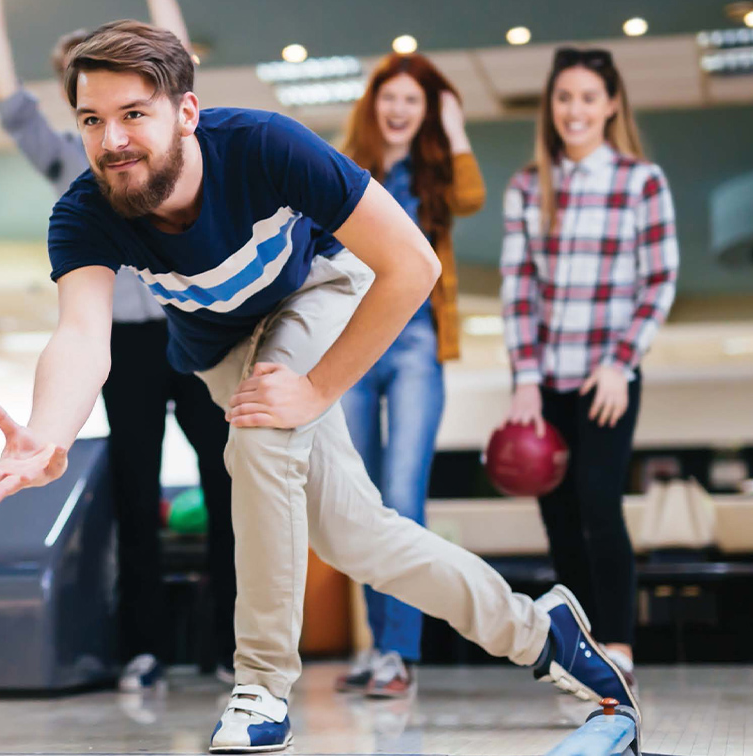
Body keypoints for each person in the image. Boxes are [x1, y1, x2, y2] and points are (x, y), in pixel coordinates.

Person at [0, 21, 638, 753]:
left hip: (313, 291)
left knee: (260, 435)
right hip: (218, 347)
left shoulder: (265, 146)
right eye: (92, 121)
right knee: (359, 537)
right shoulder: (86, 210)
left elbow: (413, 263)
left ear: (185, 114)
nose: (113, 140)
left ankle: (260, 687)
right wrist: (51, 431)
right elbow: (83, 338)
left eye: (134, 115)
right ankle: (542, 632)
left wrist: (317, 388)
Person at [0, 0, 235, 689]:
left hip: (193, 329)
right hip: (123, 348)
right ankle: (146, 648)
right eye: (85, 93)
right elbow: (8, 101)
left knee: (227, 479)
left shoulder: (160, 144)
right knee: (132, 488)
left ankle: (234, 644)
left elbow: (171, 64)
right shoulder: (71, 164)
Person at [501, 46, 679, 691]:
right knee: (557, 514)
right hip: (544, 379)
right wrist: (524, 375)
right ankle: (579, 647)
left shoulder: (641, 181)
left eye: (587, 98)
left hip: (608, 378)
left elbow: (659, 280)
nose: (574, 110)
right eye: (564, 97)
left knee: (600, 505)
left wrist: (621, 363)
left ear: (610, 106)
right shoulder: (528, 185)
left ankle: (620, 644)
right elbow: (518, 288)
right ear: (551, 107)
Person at [333, 52, 485, 699]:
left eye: (413, 102)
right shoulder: (347, 168)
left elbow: (473, 197)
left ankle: (399, 651)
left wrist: (454, 126)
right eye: (390, 98)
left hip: (417, 341)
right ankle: (377, 650)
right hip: (356, 343)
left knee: (403, 497)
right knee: (360, 502)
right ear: (373, 105)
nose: (398, 110)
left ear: (425, 113)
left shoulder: (435, 176)